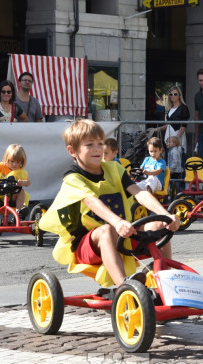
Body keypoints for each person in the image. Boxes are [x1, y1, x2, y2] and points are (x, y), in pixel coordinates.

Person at [39, 119, 180, 287]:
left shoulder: (114, 169)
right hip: (86, 244)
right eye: (89, 145)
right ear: (72, 151)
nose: (97, 148)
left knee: (159, 224)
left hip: (123, 235)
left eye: (100, 143)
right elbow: (91, 201)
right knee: (106, 230)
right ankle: (125, 288)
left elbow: (139, 193)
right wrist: (117, 222)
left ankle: (165, 279)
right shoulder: (73, 177)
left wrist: (166, 215)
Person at [0, 143, 30, 226]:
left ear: (22, 162)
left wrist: (22, 182)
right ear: (7, 159)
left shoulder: (21, 171)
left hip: (12, 198)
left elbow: (28, 182)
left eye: (18, 162)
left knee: (21, 191)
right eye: (12, 161)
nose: (15, 165)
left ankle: (18, 212)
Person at [160, 85, 190, 155]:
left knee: (178, 161)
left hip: (177, 138)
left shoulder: (183, 108)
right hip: (169, 138)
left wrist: (176, 139)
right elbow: (169, 124)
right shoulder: (170, 108)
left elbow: (183, 126)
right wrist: (157, 129)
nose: (173, 96)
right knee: (170, 161)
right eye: (171, 94)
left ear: (179, 95)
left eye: (175, 94)